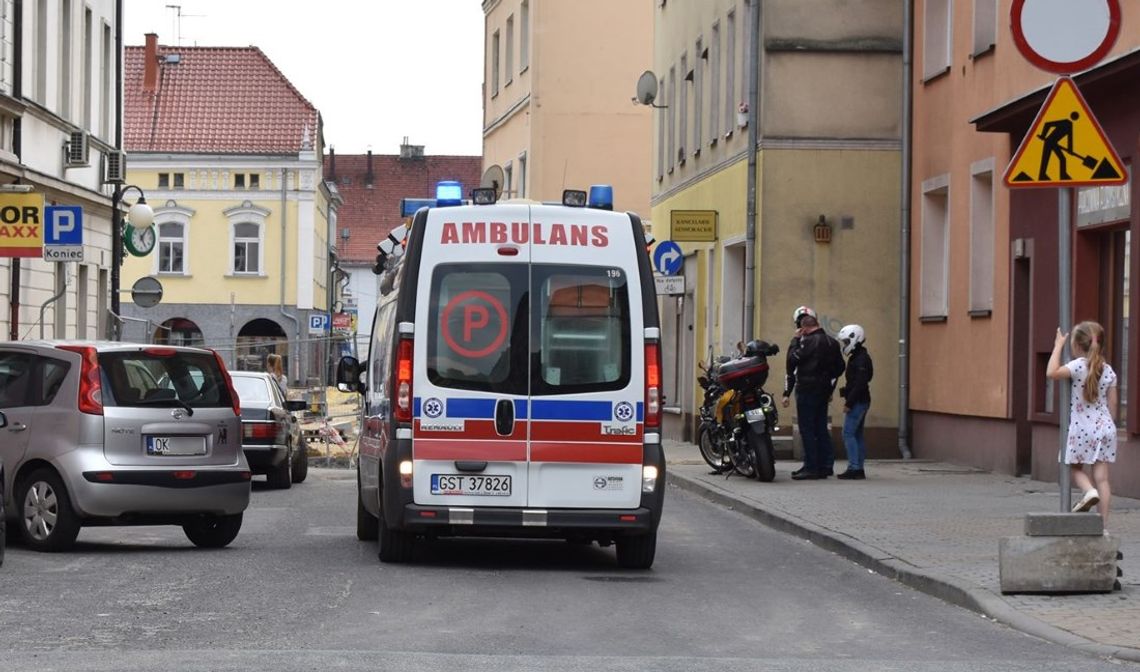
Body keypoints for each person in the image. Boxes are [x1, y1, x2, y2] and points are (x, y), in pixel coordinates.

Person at [1046, 321, 1118, 529]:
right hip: (1106, 428)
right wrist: (1108, 425)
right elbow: (1113, 404)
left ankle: (1088, 491)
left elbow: (1051, 372)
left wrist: (1058, 345)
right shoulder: (1109, 370)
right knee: (1102, 478)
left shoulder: (1078, 365)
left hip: (1082, 428)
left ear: (1077, 346)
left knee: (1069, 465)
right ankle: (1102, 527)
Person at [782, 306, 845, 480]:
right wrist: (828, 383)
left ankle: (811, 467)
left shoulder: (806, 341)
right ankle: (826, 466)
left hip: (807, 389)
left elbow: (791, 361)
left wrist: (795, 340)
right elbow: (840, 367)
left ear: (804, 328)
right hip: (823, 390)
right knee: (821, 428)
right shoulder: (832, 342)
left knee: (807, 429)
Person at [836, 324, 873, 480]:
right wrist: (845, 391)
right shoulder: (858, 357)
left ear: (854, 338)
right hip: (860, 399)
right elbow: (857, 381)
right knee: (856, 434)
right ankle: (859, 468)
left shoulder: (861, 359)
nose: (844, 345)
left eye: (845, 341)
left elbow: (861, 383)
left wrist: (849, 402)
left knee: (848, 434)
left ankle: (855, 468)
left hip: (858, 401)